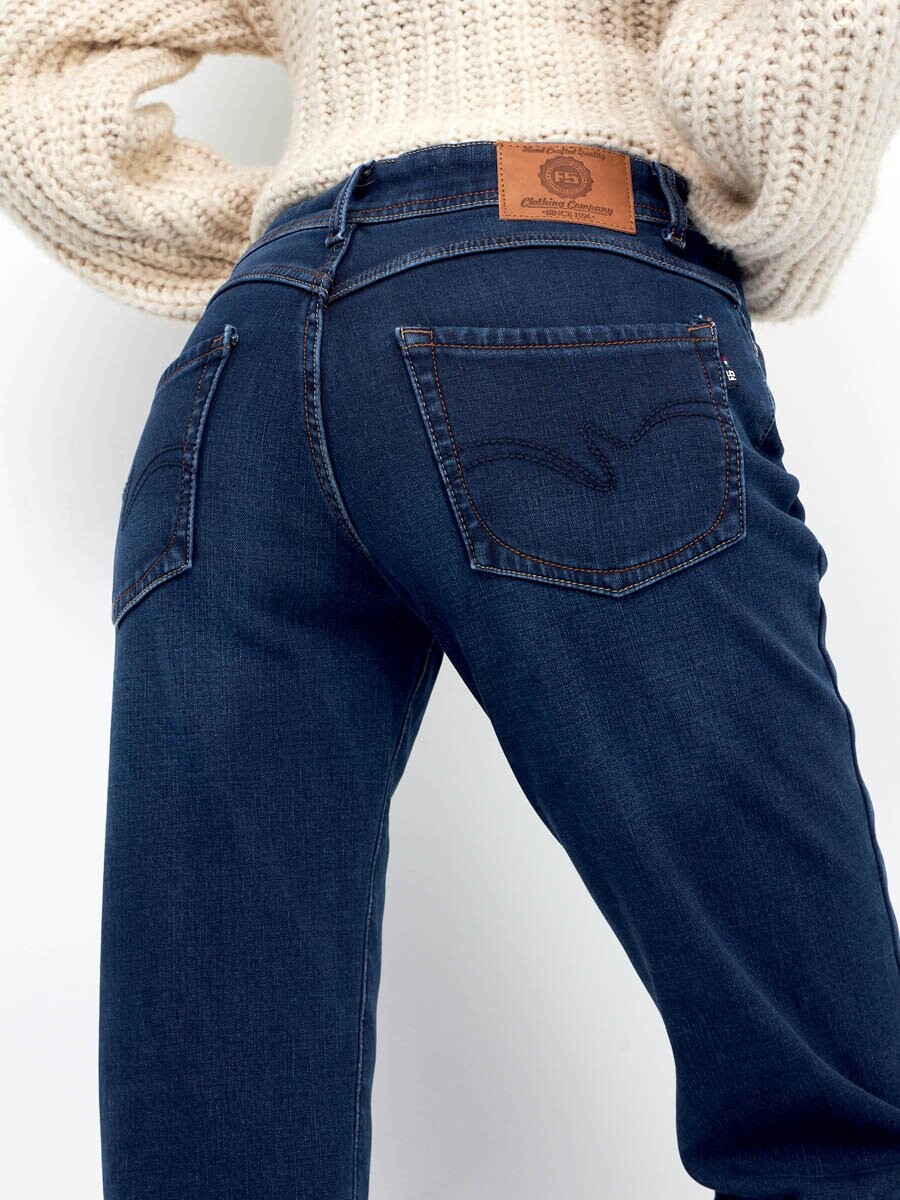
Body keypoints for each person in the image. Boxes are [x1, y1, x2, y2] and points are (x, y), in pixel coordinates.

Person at [2, 3, 900, 1198]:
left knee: (217, 1153)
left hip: (240, 375)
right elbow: (807, 33)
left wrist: (284, 239)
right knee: (837, 1117)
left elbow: (35, 60)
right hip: (564, 289)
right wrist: (759, 231)